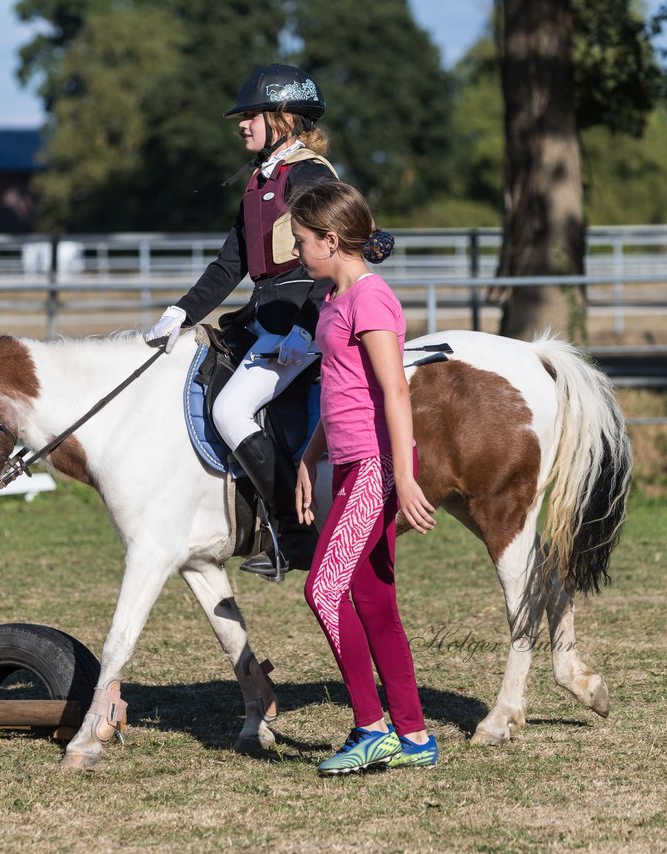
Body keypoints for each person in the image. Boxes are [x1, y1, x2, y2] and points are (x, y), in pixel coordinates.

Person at [144, 63, 336, 577]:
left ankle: (293, 539)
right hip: (268, 316)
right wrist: (180, 312)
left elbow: (334, 254)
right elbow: (230, 264)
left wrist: (305, 329)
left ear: (283, 118)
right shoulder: (259, 182)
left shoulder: (310, 175)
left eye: (250, 115)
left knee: (232, 412)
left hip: (306, 318)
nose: (241, 124)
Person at [288, 181, 440, 774]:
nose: (297, 252)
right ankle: (416, 737)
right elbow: (341, 388)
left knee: (324, 590)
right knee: (374, 601)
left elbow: (394, 390)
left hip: (377, 467)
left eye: (302, 241)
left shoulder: (370, 301)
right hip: (351, 459)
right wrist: (309, 451)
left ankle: (370, 727)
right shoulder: (333, 298)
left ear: (331, 240)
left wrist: (402, 476)